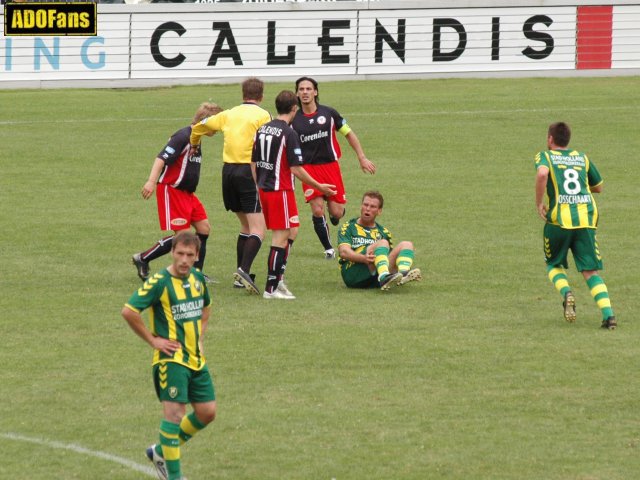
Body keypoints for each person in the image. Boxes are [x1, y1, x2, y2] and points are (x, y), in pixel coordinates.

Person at [121, 231, 216, 480]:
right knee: (174, 415)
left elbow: (206, 309)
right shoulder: (159, 282)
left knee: (207, 412)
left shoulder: (197, 279)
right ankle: (174, 476)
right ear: (172, 252)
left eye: (190, 255)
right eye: (180, 254)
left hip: (195, 359)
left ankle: (161, 451)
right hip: (171, 360)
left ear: (196, 257)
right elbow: (129, 311)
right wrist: (153, 340)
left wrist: (200, 339)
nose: (184, 260)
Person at [251, 90, 337, 299]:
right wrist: (321, 187)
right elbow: (297, 169)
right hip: (280, 190)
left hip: (266, 188)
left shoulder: (262, 129)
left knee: (292, 231)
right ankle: (271, 288)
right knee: (280, 237)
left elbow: (253, 162)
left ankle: (278, 279)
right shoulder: (289, 133)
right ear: (294, 108)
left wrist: (258, 185)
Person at [190, 77, 271, 294]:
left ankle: (239, 276)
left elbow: (197, 128)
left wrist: (195, 147)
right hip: (248, 173)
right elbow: (269, 142)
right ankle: (244, 270)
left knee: (246, 226)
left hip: (228, 174)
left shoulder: (228, 114)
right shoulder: (263, 115)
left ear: (243, 94)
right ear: (261, 96)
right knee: (259, 229)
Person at [535, 121, 616, 330]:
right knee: (590, 271)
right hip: (586, 219)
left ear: (550, 139)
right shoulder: (582, 158)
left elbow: (543, 174)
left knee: (553, 264)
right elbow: (598, 187)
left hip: (559, 221)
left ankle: (567, 293)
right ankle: (609, 316)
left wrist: (538, 203)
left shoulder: (546, 156)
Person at [131, 102, 222, 283]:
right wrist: (151, 182)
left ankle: (196, 273)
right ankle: (143, 258)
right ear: (206, 122)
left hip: (187, 194)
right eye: (216, 123)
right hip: (172, 190)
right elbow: (161, 158)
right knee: (182, 237)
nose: (219, 128)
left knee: (204, 229)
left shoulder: (196, 137)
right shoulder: (183, 136)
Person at [292, 76, 376, 260]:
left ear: (315, 92)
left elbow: (349, 134)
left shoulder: (329, 113)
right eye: (301, 89)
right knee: (317, 209)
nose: (305, 92)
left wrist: (361, 157)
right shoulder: (294, 120)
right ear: (297, 93)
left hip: (330, 168)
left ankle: (335, 216)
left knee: (336, 212)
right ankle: (329, 248)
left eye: (308, 89)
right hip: (308, 169)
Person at [337, 190, 422, 291]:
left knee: (407, 244)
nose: (367, 209)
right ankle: (384, 278)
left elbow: (388, 259)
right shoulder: (348, 227)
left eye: (372, 207)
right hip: (352, 274)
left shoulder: (384, 232)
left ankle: (403, 273)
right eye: (365, 205)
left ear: (379, 211)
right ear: (361, 206)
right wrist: (364, 258)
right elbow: (343, 252)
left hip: (374, 276)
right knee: (382, 243)